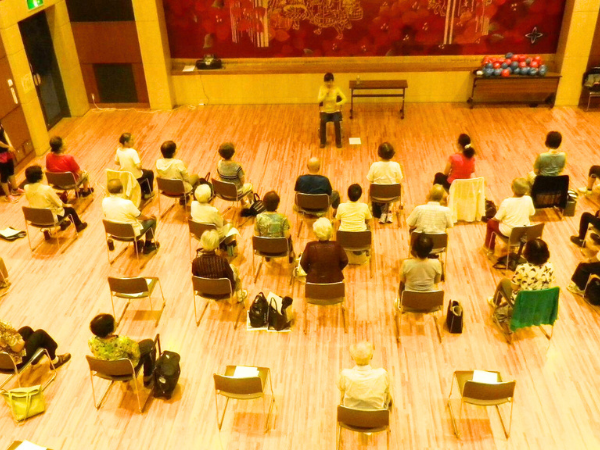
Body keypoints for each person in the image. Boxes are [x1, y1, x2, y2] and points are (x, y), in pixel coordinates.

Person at [88, 314, 156, 387]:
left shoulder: (92, 341)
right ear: (109, 330)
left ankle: (126, 378)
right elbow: (137, 354)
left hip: (106, 370)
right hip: (126, 370)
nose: (116, 322)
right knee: (149, 345)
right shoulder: (122, 341)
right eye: (114, 322)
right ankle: (148, 379)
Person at [488, 239, 554, 308]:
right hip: (540, 303)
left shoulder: (522, 268)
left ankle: (495, 302)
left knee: (503, 282)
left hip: (522, 304)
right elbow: (550, 284)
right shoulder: (550, 266)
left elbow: (514, 287)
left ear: (528, 253)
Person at [24, 165, 88, 234]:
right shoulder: (47, 189)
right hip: (50, 218)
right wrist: (66, 205)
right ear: (40, 176)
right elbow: (58, 203)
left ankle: (63, 224)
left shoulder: (26, 187)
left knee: (50, 207)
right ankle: (79, 226)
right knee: (70, 209)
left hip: (36, 218)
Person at [102, 179, 159, 254]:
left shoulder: (104, 201)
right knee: (152, 220)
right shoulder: (127, 203)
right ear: (121, 190)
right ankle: (148, 246)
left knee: (127, 220)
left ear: (108, 190)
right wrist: (148, 217)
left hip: (114, 233)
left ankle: (137, 243)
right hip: (131, 234)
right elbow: (139, 216)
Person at [192, 230, 247, 302]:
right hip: (224, 292)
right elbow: (231, 279)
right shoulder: (222, 261)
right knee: (234, 269)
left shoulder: (195, 262)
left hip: (204, 292)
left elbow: (196, 278)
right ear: (216, 245)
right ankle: (239, 295)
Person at [483, 178, 535, 253]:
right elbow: (532, 213)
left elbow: (497, 218)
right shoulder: (529, 199)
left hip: (509, 232)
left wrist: (491, 219)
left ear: (513, 188)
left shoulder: (507, 202)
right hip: (524, 231)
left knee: (490, 223)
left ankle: (489, 248)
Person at [337, 341, 391, 410]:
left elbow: (342, 392)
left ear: (352, 357)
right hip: (376, 415)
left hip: (350, 414)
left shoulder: (345, 375)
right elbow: (387, 392)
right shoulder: (382, 374)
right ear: (371, 357)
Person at [0, 320, 71, 369]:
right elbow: (18, 348)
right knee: (40, 334)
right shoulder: (2, 328)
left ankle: (35, 357)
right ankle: (55, 361)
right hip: (16, 362)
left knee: (26, 330)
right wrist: (20, 341)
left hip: (2, 364)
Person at [300, 218, 348, 283]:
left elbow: (303, 263)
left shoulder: (310, 246)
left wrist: (311, 272)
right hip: (335, 282)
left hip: (314, 283)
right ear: (330, 231)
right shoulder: (337, 246)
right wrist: (336, 270)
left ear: (315, 232)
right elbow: (345, 261)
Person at [366, 142, 403, 224]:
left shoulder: (374, 165)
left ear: (379, 153)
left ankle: (384, 212)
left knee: (372, 187)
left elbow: (370, 179)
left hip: (376, 196)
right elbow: (400, 178)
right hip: (393, 196)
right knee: (398, 186)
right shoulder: (396, 165)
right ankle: (389, 210)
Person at [255, 191, 295, 263]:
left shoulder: (258, 218)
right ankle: (291, 254)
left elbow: (257, 235)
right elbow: (286, 236)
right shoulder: (283, 218)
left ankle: (267, 256)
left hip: (263, 249)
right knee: (289, 236)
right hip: (280, 249)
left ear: (264, 203)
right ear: (277, 205)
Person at [115, 133, 155, 199]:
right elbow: (138, 166)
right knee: (149, 173)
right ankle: (148, 193)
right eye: (131, 140)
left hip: (126, 176)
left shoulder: (118, 150)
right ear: (126, 142)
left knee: (145, 172)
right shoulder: (132, 151)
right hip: (135, 176)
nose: (134, 141)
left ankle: (141, 189)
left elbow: (116, 162)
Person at [216, 142, 253, 208]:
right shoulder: (237, 166)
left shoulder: (219, 164)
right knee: (249, 186)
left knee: (234, 184)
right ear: (233, 153)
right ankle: (251, 204)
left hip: (223, 192)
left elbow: (219, 176)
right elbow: (242, 182)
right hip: (236, 194)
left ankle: (243, 203)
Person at [318, 72, 346, 148]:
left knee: (337, 122)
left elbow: (344, 99)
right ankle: (323, 142)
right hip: (325, 111)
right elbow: (318, 100)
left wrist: (338, 103)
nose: (328, 83)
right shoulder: (322, 88)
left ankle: (338, 142)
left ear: (332, 81)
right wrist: (324, 94)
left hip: (334, 111)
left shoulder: (336, 88)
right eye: (327, 82)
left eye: (330, 81)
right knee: (322, 121)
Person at [0, 121, 24, 203]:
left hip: (6, 151)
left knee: (11, 170)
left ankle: (15, 189)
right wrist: (8, 147)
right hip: (0, 154)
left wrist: (10, 146)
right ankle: (8, 195)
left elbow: (5, 134)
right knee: (4, 174)